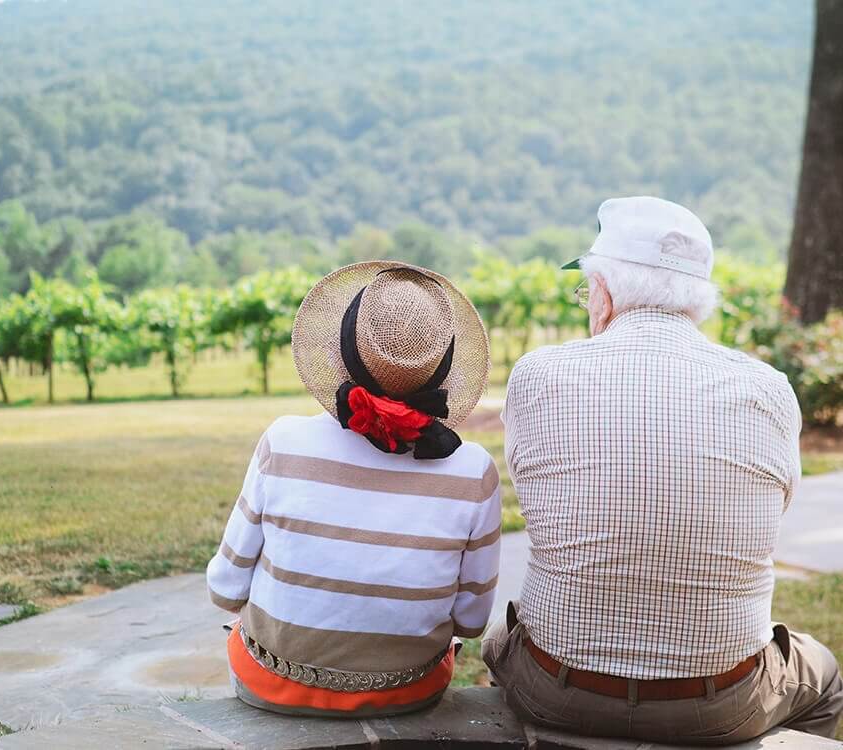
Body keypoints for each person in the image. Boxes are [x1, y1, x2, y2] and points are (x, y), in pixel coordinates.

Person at [484, 196, 843, 743]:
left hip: (556, 690)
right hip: (723, 702)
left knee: (497, 641)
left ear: (602, 291)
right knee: (825, 674)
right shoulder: (768, 388)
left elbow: (536, 494)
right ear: (698, 299)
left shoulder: (539, 374)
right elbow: (777, 505)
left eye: (587, 289)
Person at [207, 262, 501, 717]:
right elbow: (472, 622)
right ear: (442, 368)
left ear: (342, 350)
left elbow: (225, 588)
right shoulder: (472, 470)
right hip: (409, 690)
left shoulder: (283, 442)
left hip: (271, 682)